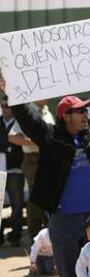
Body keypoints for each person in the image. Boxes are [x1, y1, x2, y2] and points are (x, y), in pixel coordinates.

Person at [0, 77, 90, 276]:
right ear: (65, 116)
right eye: (80, 111)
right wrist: (10, 91)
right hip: (63, 221)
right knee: (69, 272)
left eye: (86, 109)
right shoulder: (50, 137)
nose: (86, 113)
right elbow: (27, 117)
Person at [8, 99, 55, 241]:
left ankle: (49, 234)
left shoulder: (47, 112)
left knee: (49, 196)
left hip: (49, 158)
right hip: (33, 158)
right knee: (36, 198)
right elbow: (12, 136)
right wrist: (36, 141)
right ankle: (35, 237)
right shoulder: (28, 111)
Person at [0, 97, 24, 246]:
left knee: (17, 205)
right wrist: (9, 144)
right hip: (0, 169)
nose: (5, 108)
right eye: (3, 106)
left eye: (8, 106)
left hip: (16, 169)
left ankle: (15, 236)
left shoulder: (20, 122)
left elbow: (21, 143)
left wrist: (8, 144)